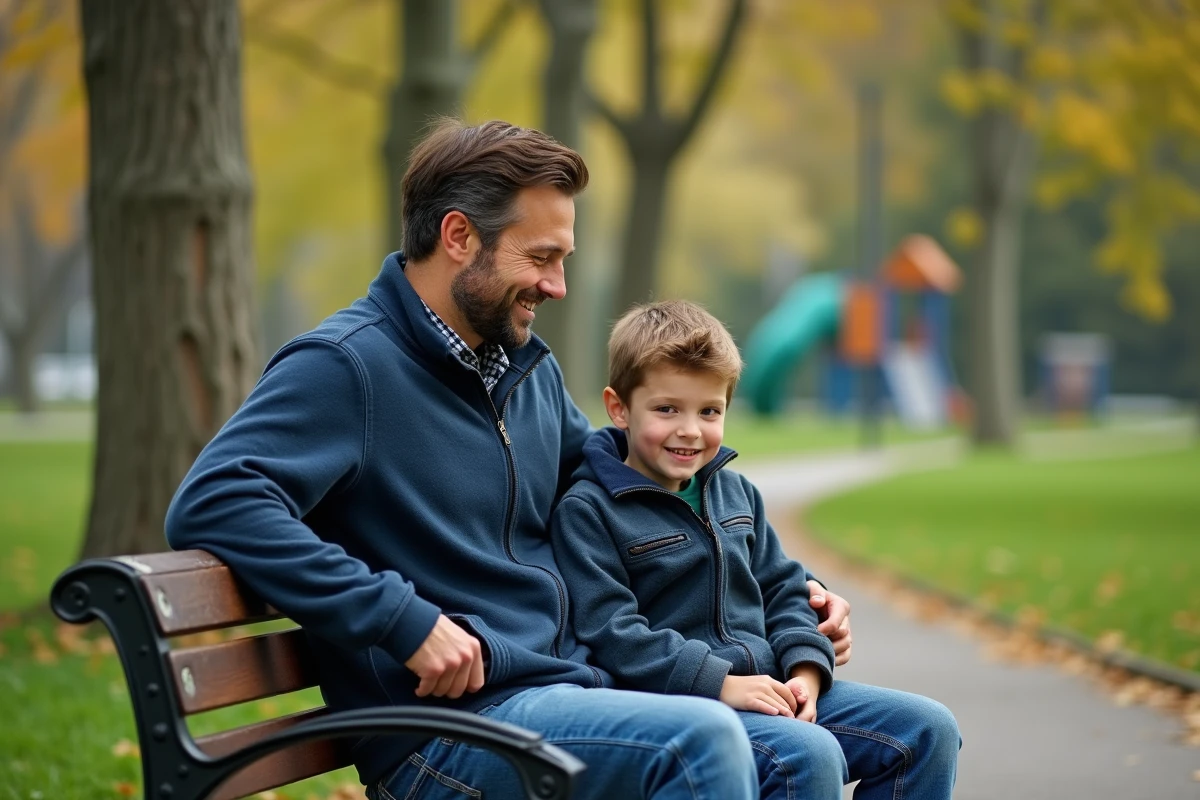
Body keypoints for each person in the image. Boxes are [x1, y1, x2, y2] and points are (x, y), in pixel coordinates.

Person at [166, 118, 848, 800]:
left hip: (566, 692)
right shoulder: (347, 367)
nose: (557, 286)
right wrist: (400, 619)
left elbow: (624, 480)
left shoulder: (523, 369)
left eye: (564, 261)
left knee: (814, 753)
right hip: (443, 729)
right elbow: (217, 499)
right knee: (704, 738)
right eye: (541, 258)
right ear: (459, 237)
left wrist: (792, 587)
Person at [550, 299, 960, 800]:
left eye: (709, 411)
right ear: (619, 408)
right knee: (807, 754)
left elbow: (785, 589)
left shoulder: (736, 493)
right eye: (666, 409)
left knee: (927, 730)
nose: (690, 430)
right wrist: (722, 684)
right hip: (684, 704)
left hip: (774, 686)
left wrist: (806, 673)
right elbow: (612, 631)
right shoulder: (589, 508)